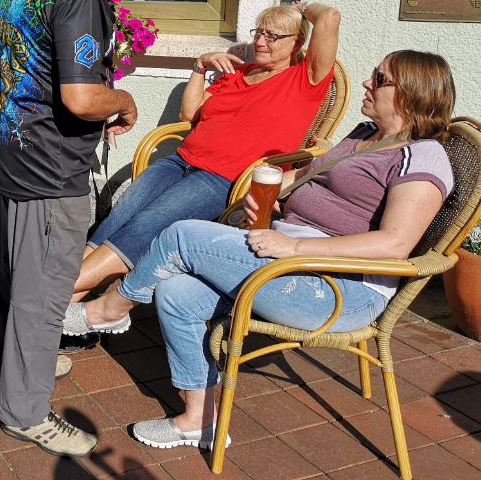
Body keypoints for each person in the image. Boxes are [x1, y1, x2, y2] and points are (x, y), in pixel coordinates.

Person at [67, 50, 456, 451]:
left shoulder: (423, 155)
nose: (367, 83)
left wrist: (294, 245)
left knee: (181, 234)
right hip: (291, 258)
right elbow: (308, 175)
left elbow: (395, 244)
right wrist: (272, 194)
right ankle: (197, 420)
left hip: (337, 288)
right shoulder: (364, 134)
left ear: (411, 94)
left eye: (379, 78)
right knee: (175, 292)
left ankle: (109, 310)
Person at [0, 0, 147, 457]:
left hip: (13, 148)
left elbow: (4, 49)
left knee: (17, 274)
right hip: (49, 163)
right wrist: (124, 101)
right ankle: (24, 410)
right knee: (44, 288)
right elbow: (81, 98)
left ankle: (22, 361)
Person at [62, 0, 340, 337]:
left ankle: (50, 306)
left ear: (297, 42)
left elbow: (329, 18)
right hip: (181, 161)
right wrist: (199, 66)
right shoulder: (239, 72)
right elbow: (189, 115)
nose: (261, 42)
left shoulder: (305, 81)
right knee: (119, 218)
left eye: (273, 36)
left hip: (222, 178)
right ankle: (60, 314)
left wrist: (303, 7)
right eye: (259, 32)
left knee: (146, 225)